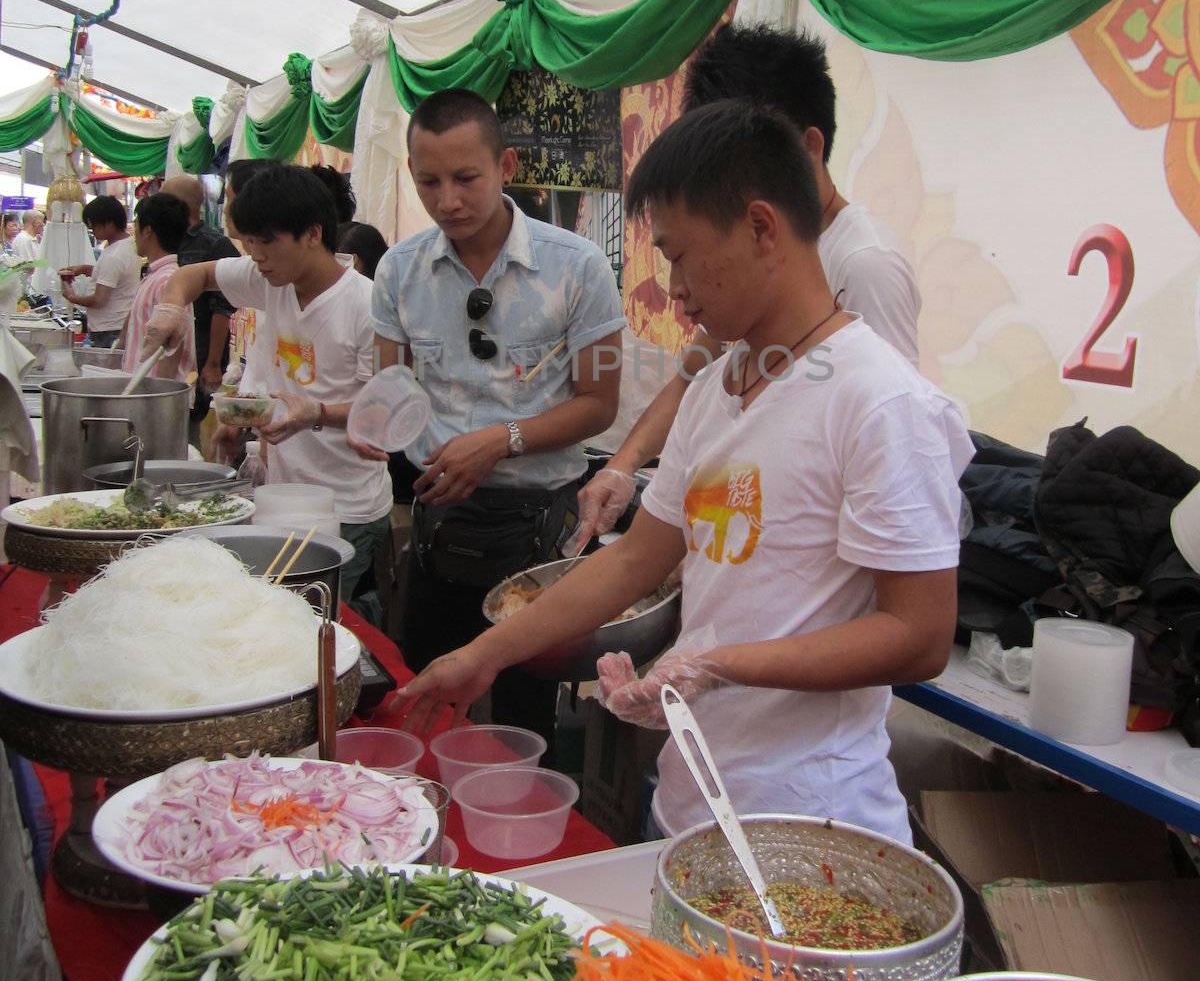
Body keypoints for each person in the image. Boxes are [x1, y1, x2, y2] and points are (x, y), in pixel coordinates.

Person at [396, 99, 972, 844]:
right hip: (689, 802)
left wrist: (718, 663)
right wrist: (482, 657)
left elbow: (920, 635)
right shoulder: (717, 388)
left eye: (678, 253)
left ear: (762, 228)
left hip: (812, 822)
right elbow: (637, 558)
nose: (672, 287)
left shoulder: (881, 402)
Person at [575, 20, 923, 546]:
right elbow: (697, 371)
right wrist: (624, 464)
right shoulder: (741, 272)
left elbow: (889, 447)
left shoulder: (864, 265)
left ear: (807, 148)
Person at [369, 89, 624, 751]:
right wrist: (375, 423)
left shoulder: (576, 268)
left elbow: (600, 403)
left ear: (506, 165)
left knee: (518, 723)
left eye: (466, 178)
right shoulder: (399, 272)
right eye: (428, 182)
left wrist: (499, 440)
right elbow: (391, 387)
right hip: (441, 520)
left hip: (538, 528)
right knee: (426, 699)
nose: (447, 200)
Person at [139, 164, 393, 600]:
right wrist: (171, 308)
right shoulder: (271, 279)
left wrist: (315, 414)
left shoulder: (366, 306)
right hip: (279, 498)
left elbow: (385, 410)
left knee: (319, 619)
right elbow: (192, 275)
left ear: (312, 234)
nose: (255, 255)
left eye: (265, 242)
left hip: (346, 505)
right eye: (248, 242)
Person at [160, 174, 240, 407]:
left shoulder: (214, 244)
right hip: (171, 352)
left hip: (202, 351)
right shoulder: (169, 240)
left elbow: (223, 308)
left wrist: (213, 363)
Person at [122, 192, 196, 380]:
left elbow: (171, 351)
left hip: (151, 395)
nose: (133, 234)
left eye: (136, 226)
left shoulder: (168, 280)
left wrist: (158, 397)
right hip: (141, 391)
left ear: (147, 231)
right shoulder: (155, 276)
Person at [59, 196, 142, 348]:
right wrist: (86, 269)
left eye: (94, 227)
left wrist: (72, 296)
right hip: (118, 324)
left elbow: (99, 300)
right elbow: (114, 278)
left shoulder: (114, 255)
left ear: (109, 223)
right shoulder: (127, 244)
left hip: (109, 329)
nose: (93, 231)